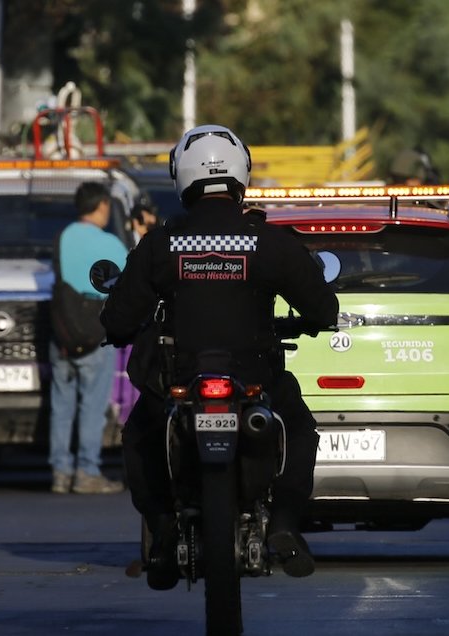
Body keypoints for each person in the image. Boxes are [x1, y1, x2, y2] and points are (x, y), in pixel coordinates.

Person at [100, 124, 339, 590]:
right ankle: (285, 525)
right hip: (257, 379)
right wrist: (310, 320)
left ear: (182, 176)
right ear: (241, 174)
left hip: (178, 382)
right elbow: (323, 309)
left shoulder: (161, 244)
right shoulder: (270, 243)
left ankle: (165, 534)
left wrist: (123, 329)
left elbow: (118, 319)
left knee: (139, 437)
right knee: (301, 430)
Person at [49, 181, 128, 495]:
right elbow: (127, 282)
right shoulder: (110, 244)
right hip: (95, 332)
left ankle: (60, 472)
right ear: (103, 206)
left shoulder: (63, 236)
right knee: (91, 407)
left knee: (61, 405)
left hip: (62, 331)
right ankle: (87, 471)